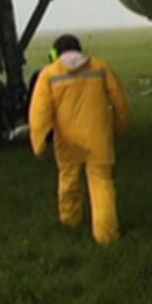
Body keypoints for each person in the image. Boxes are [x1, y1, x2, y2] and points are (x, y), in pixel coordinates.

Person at [29, 34, 131, 245]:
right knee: (102, 184)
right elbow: (121, 104)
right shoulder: (100, 68)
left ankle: (70, 221)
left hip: (67, 142)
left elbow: (39, 115)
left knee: (68, 180)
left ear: (56, 53)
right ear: (80, 49)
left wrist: (39, 146)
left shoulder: (49, 74)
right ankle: (106, 236)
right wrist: (118, 128)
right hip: (98, 138)